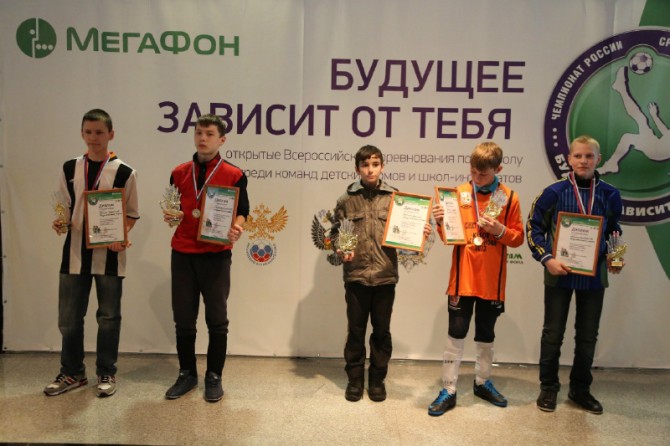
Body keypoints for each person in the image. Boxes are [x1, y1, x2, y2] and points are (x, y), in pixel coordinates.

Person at [44, 109, 140, 398]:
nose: (93, 137)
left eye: (99, 132)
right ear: (81, 134)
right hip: (73, 255)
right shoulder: (69, 167)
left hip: (110, 257)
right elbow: (63, 207)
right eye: (88, 132)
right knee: (68, 319)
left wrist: (121, 236)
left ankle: (106, 371)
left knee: (108, 318)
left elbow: (132, 214)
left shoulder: (125, 172)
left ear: (111, 134)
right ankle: (72, 373)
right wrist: (60, 222)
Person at [527, 135, 623, 415]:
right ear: (569, 159)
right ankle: (548, 387)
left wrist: (615, 257)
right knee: (553, 333)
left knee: (588, 336)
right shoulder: (553, 192)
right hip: (558, 273)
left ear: (598, 159)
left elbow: (614, 229)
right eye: (578, 156)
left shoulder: (610, 194)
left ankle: (580, 389)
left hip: (594, 276)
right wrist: (547, 259)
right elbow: (533, 228)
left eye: (589, 156)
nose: (583, 161)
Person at [428, 141, 524, 416]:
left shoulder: (509, 197)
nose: (477, 177)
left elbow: (518, 238)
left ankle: (482, 382)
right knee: (455, 332)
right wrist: (440, 221)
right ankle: (448, 388)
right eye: (473, 172)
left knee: (486, 333)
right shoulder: (458, 194)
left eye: (483, 173)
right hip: (462, 280)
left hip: (492, 281)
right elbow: (448, 237)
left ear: (498, 170)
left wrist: (500, 230)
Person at [333, 145, 431, 403]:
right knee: (355, 332)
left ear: (382, 167)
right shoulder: (346, 200)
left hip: (385, 276)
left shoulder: (395, 198)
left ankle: (377, 380)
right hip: (356, 276)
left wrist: (419, 233)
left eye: (375, 164)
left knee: (381, 332)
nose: (370, 170)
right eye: (365, 165)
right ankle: (355, 380)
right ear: (357, 169)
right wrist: (341, 249)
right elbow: (336, 233)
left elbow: (406, 236)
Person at [162, 113, 249, 403]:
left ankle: (214, 376)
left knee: (217, 319)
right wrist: (170, 216)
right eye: (199, 133)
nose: (203, 138)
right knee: (183, 319)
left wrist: (237, 227)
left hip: (216, 255)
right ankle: (187, 374)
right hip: (183, 253)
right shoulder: (178, 172)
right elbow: (173, 207)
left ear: (221, 140)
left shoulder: (234, 174)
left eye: (210, 134)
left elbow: (243, 211)